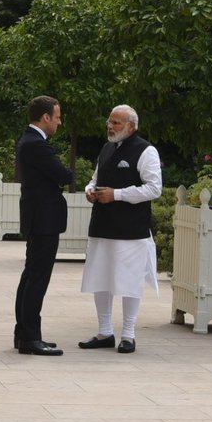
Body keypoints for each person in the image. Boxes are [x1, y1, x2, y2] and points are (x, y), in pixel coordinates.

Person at [79, 105, 162, 354]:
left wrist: (117, 195)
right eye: (110, 121)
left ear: (131, 126)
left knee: (129, 281)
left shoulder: (146, 151)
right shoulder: (106, 148)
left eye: (116, 123)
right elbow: (95, 179)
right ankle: (105, 332)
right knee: (100, 279)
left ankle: (128, 334)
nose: (110, 126)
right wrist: (89, 191)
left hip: (131, 230)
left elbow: (154, 189)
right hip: (102, 226)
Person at [13, 95, 74, 356]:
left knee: (31, 276)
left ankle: (24, 334)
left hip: (39, 218)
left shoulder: (32, 141)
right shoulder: (36, 144)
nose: (59, 123)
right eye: (57, 117)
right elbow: (64, 175)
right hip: (43, 219)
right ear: (45, 117)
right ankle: (30, 338)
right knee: (37, 278)